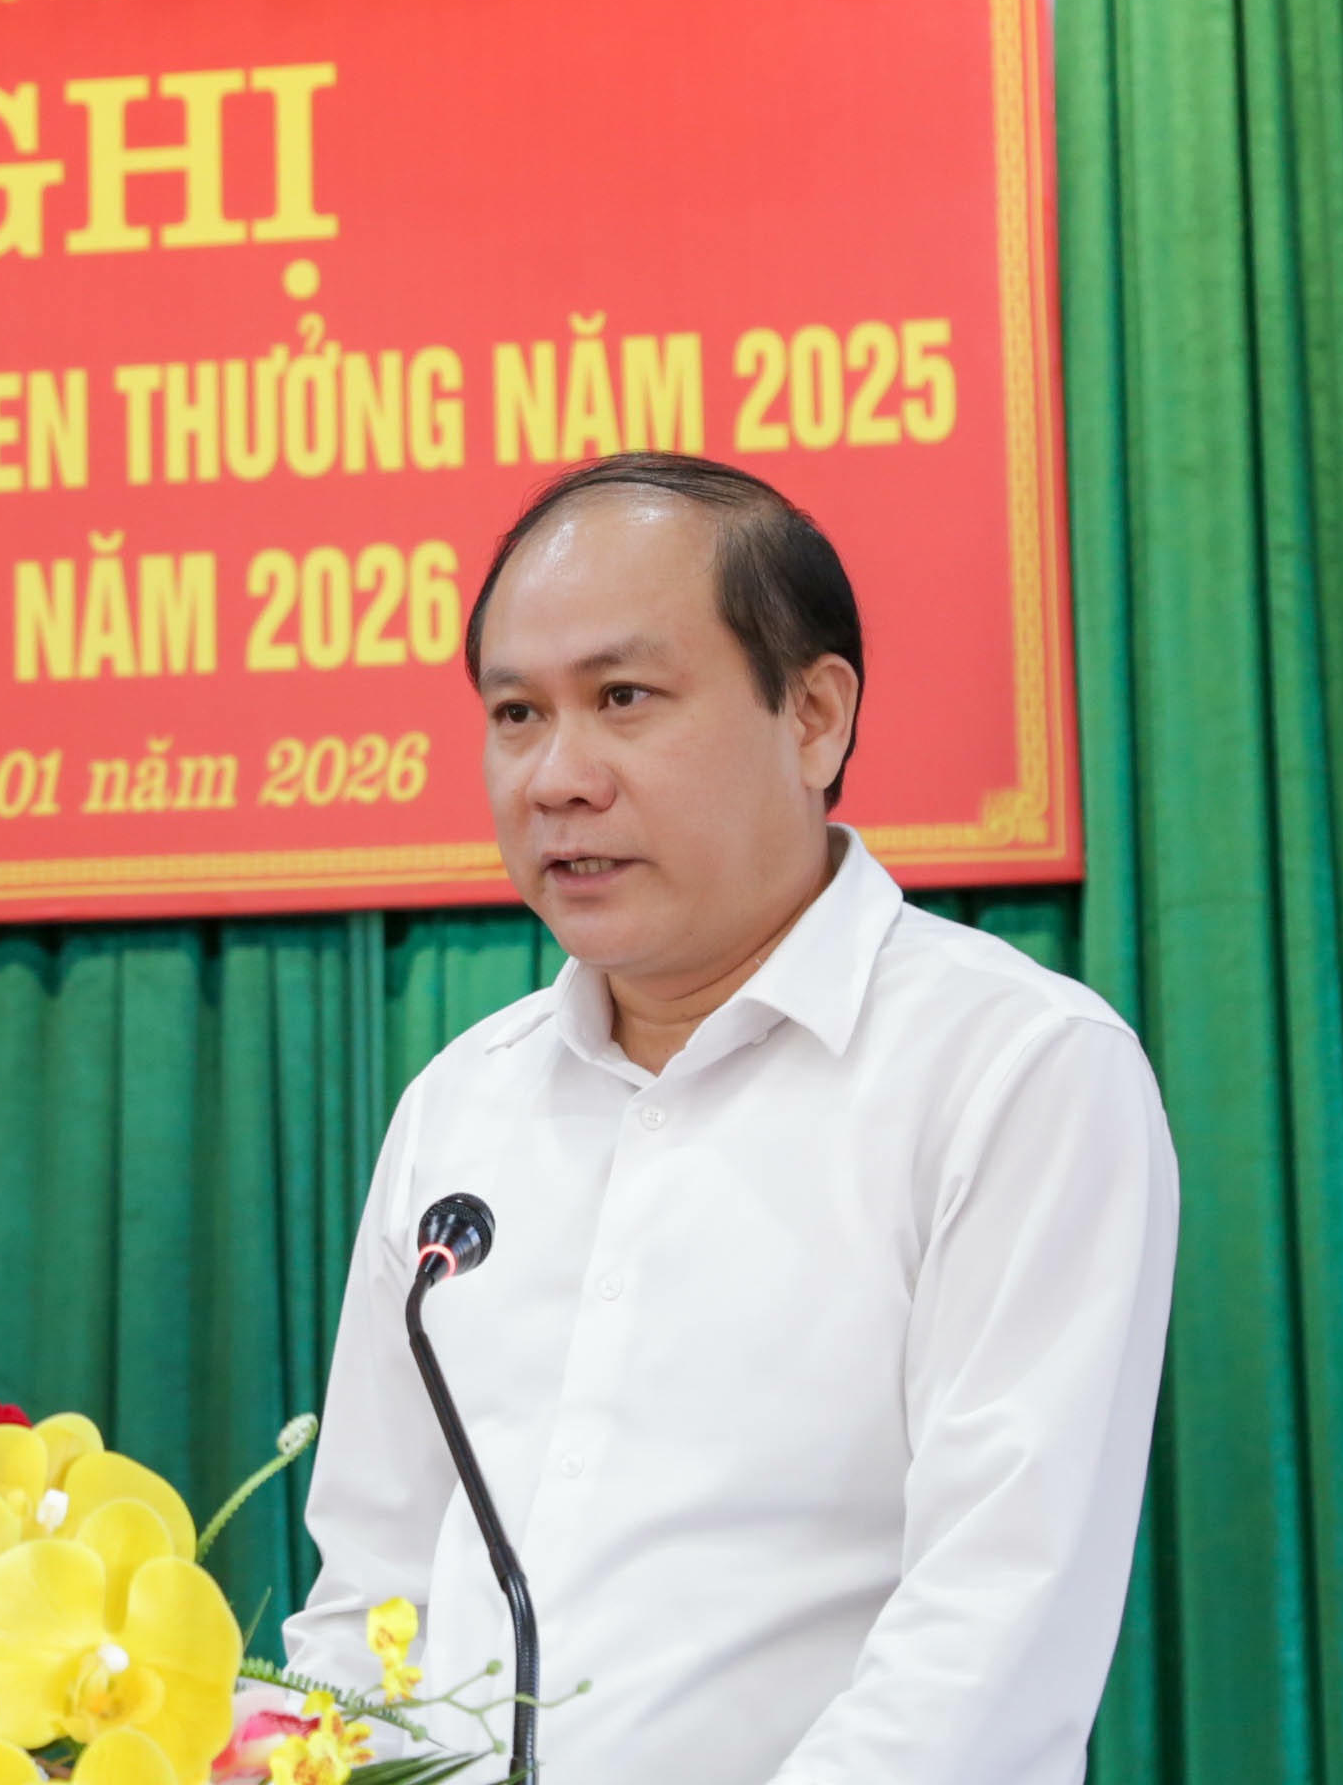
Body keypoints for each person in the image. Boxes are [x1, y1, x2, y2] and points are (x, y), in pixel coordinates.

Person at [284, 453, 1177, 1783]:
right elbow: (371, 1592)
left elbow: (990, 1645)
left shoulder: (1013, 1073)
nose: (557, 777)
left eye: (623, 698)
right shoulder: (459, 1109)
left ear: (814, 716)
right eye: (517, 713)